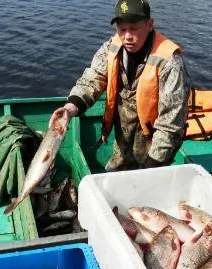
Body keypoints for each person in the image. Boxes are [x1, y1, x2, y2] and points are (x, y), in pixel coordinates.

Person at [49, 0, 190, 171]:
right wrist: (70, 108)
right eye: (122, 29)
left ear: (150, 24)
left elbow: (171, 122)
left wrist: (154, 164)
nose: (127, 36)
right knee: (113, 178)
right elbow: (92, 79)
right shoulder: (112, 47)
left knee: (148, 190)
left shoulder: (170, 62)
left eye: (134, 28)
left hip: (155, 144)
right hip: (123, 138)